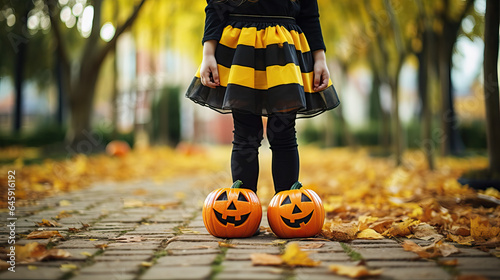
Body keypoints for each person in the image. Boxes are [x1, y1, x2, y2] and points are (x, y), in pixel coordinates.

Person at [186, 0, 339, 196]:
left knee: (283, 132)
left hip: (283, 52)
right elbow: (216, 7)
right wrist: (208, 54)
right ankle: (243, 206)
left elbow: (309, 14)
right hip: (241, 49)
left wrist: (320, 59)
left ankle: (287, 205)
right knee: (245, 133)